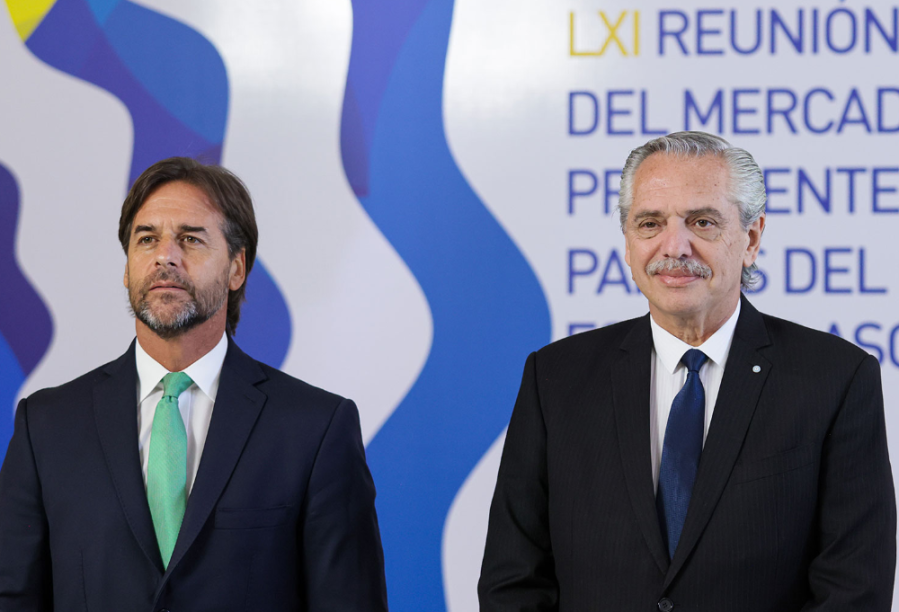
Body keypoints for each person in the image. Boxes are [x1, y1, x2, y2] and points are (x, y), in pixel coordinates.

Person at [478, 131, 896, 611]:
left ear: (751, 239)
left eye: (702, 222)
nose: (674, 246)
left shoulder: (837, 379)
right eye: (650, 223)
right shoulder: (555, 378)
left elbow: (854, 590)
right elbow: (513, 580)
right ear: (628, 241)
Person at [0, 157, 388, 611]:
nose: (165, 256)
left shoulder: (315, 429)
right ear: (127, 268)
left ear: (237, 268)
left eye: (190, 239)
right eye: (147, 239)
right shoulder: (46, 427)